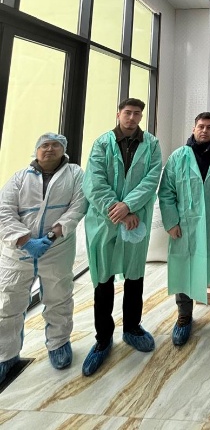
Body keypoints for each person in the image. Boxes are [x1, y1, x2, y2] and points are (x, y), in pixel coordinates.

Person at [82, 98, 162, 376]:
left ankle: (132, 328)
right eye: (127, 112)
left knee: (134, 276)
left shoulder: (151, 144)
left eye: (137, 113)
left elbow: (151, 179)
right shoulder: (102, 143)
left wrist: (129, 206)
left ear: (141, 116)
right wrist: (117, 210)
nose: (132, 117)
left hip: (135, 217)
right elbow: (94, 182)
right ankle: (103, 339)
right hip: (106, 220)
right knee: (103, 280)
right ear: (118, 114)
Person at [0, 133, 86, 383]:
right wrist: (25, 240)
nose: (49, 149)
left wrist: (50, 236)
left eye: (55, 145)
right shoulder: (19, 178)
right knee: (8, 302)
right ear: (36, 150)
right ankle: (6, 355)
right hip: (18, 251)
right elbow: (4, 211)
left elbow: (78, 206)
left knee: (59, 297)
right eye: (44, 145)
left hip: (57, 247)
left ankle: (58, 344)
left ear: (63, 150)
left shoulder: (75, 174)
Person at [159, 112, 210, 346]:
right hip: (186, 227)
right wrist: (171, 222)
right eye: (200, 126)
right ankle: (184, 316)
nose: (204, 130)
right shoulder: (178, 158)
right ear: (193, 128)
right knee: (184, 268)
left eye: (209, 127)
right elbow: (166, 192)